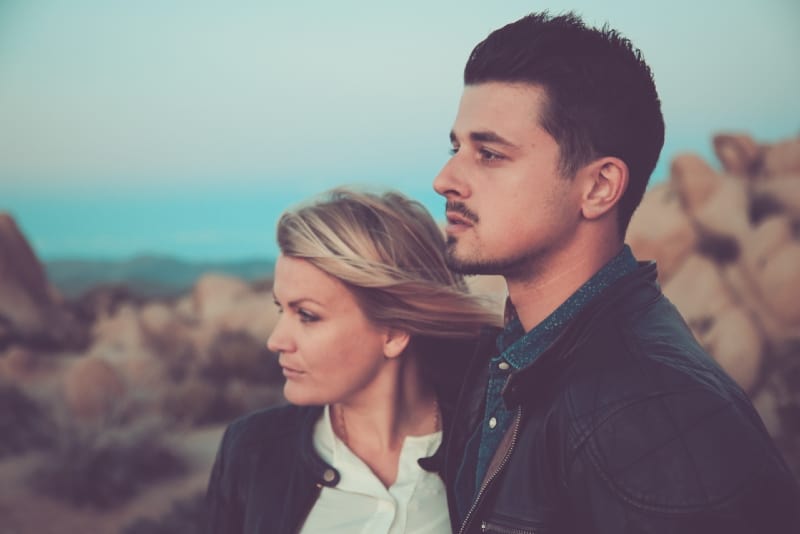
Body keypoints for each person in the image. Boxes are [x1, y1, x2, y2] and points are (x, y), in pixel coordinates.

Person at [433, 11, 800, 534]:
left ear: (600, 187)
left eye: (489, 154)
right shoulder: (524, 357)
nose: (445, 178)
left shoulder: (653, 419)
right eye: (456, 147)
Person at [204, 189, 502, 533]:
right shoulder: (251, 450)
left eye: (307, 315)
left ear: (394, 332)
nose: (276, 341)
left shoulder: (495, 452)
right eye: (280, 309)